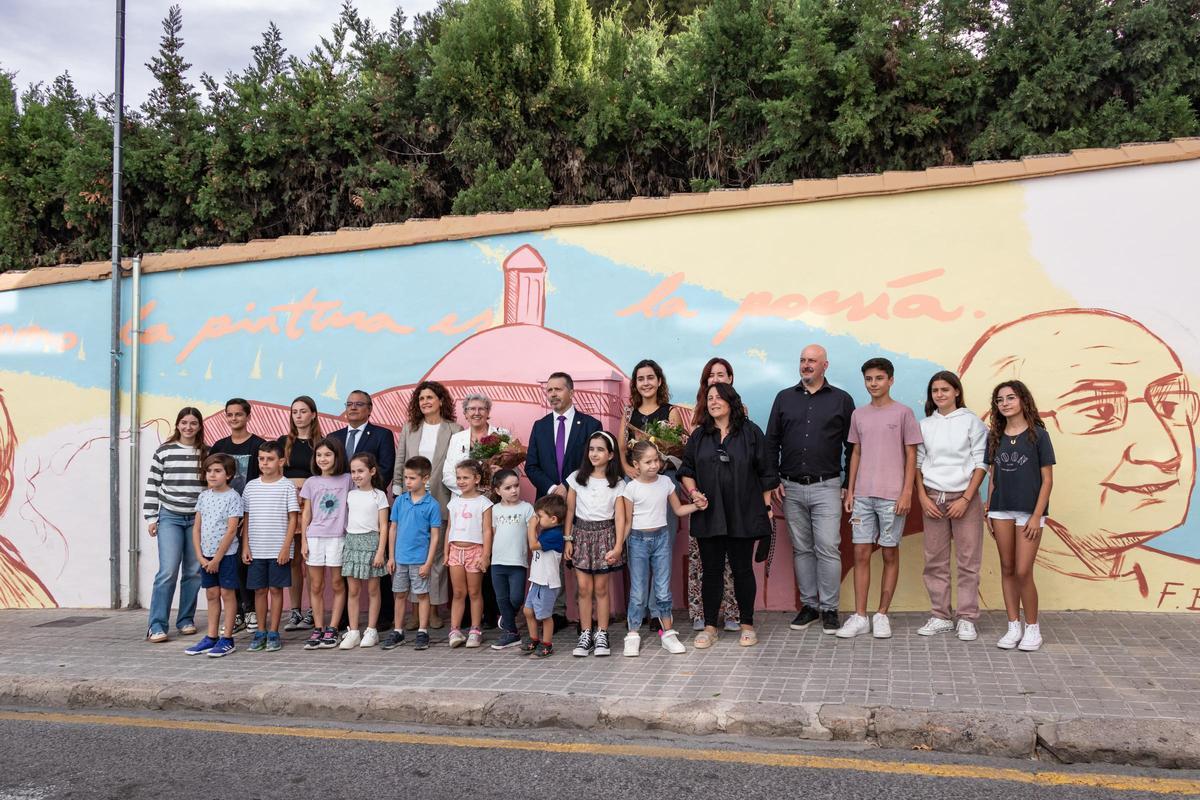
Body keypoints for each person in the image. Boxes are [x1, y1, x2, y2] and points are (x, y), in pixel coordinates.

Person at [680, 382, 778, 649]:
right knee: (711, 572)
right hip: (709, 513)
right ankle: (710, 627)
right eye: (709, 398)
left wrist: (766, 509)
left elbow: (766, 473)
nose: (713, 402)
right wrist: (694, 493)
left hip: (743, 512)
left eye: (718, 398)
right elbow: (687, 470)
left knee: (743, 570)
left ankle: (747, 625)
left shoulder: (751, 432)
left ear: (730, 401)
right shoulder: (700, 436)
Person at [765, 344, 855, 635]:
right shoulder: (783, 398)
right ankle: (809, 606)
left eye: (812, 361)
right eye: (802, 360)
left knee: (828, 547)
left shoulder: (841, 400)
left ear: (825, 365)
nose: (806, 365)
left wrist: (847, 485)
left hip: (827, 486)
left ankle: (829, 609)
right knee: (802, 549)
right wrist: (773, 479)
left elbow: (853, 448)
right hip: (790, 487)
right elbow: (771, 442)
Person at [837, 358, 922, 640]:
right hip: (862, 496)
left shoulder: (904, 413)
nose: (874, 384)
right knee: (861, 553)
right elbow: (856, 453)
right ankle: (861, 616)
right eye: (869, 379)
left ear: (891, 380)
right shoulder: (858, 415)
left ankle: (882, 614)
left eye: (879, 378)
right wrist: (850, 490)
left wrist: (907, 492)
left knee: (888, 553)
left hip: (892, 497)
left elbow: (912, 455)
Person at [915, 371, 987, 642]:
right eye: (935, 390)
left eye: (945, 389)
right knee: (934, 560)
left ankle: (967, 617)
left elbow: (982, 463)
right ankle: (940, 616)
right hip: (933, 498)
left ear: (957, 391)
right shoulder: (924, 425)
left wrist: (967, 499)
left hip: (965, 499)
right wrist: (922, 498)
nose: (940, 394)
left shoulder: (972, 422)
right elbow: (918, 464)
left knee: (968, 561)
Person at [618, 441, 705, 657]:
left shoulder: (666, 482)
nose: (654, 465)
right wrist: (618, 546)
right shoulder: (631, 488)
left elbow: (677, 509)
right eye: (648, 462)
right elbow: (627, 522)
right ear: (636, 464)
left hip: (661, 539)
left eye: (656, 460)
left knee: (663, 589)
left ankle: (668, 634)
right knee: (637, 591)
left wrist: (697, 505)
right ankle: (633, 634)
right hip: (637, 541)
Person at [986, 380, 1055, 652]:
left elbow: (1047, 480)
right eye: (1000, 400)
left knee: (1024, 571)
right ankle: (1013, 625)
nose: (1005, 403)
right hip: (1001, 509)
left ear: (1023, 400)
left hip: (1029, 512)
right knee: (1007, 567)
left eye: (1010, 397)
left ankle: (1033, 628)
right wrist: (988, 509)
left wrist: (1037, 516)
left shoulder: (1038, 435)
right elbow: (993, 477)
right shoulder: (995, 436)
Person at [393, 380, 462, 630]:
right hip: (411, 502)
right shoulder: (410, 428)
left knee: (436, 558)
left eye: (430, 397)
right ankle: (414, 612)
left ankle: (434, 610)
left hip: (441, 500)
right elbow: (400, 461)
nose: (425, 402)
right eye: (421, 398)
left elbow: (458, 464)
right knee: (412, 555)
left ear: (441, 400)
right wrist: (398, 491)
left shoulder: (454, 429)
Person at [144, 407, 208, 643]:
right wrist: (151, 517)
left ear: (199, 426)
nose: (188, 427)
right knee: (168, 571)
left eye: (193, 423)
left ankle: (185, 620)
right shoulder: (165, 452)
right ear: (178, 425)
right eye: (184, 423)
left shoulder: (206, 452)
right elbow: (153, 484)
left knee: (193, 572)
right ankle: (157, 625)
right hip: (170, 516)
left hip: (197, 519)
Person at [687, 357, 741, 632]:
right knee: (703, 560)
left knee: (733, 560)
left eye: (722, 374)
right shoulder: (698, 417)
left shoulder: (741, 416)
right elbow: (689, 463)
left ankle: (733, 611)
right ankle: (702, 612)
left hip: (733, 504)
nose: (717, 378)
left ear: (731, 378)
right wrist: (695, 493)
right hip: (704, 502)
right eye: (712, 375)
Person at [564, 431, 624, 657]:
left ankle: (602, 633)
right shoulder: (577, 478)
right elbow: (570, 510)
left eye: (600, 450)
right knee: (584, 588)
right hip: (581, 536)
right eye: (591, 449)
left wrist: (618, 546)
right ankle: (585, 633)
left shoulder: (616, 483)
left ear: (610, 455)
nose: (595, 453)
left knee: (601, 588)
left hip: (604, 537)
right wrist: (568, 539)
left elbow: (620, 517)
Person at [208, 398, 264, 632]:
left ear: (248, 416)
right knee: (230, 562)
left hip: (250, 513)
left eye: (238, 415)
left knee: (247, 561)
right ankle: (238, 612)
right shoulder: (219, 446)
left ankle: (250, 608)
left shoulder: (258, 445)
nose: (234, 419)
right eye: (229, 415)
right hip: (223, 516)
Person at [242, 440, 301, 652]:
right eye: (261, 459)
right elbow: (246, 519)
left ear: (281, 461)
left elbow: (293, 519)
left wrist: (287, 547)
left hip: (278, 550)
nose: (265, 463)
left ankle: (274, 632)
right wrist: (245, 546)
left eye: (270, 459)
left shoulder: (286, 486)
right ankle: (260, 631)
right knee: (259, 591)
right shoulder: (251, 487)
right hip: (256, 549)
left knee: (276, 590)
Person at [185, 453, 243, 658]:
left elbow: (231, 530)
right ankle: (211, 637)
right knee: (211, 594)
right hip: (206, 555)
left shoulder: (233, 497)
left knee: (227, 594)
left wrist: (218, 558)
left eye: (217, 471)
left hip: (225, 555)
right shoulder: (203, 497)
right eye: (209, 471)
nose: (212, 474)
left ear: (228, 475)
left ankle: (227, 638)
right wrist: (200, 557)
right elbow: (196, 529)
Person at [298, 437, 352, 650]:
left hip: (338, 537)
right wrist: (303, 540)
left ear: (337, 457)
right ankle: (318, 628)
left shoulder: (347, 479)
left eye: (328, 455)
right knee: (316, 585)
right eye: (319, 455)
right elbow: (306, 514)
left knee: (338, 583)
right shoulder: (311, 482)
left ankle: (333, 627)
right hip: (315, 537)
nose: (323, 459)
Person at [384, 456, 442, 652]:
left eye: (412, 478)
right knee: (399, 594)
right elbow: (393, 529)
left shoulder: (432, 505)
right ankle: (398, 631)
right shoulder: (400, 501)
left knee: (422, 595)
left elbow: (435, 536)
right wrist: (391, 556)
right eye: (405, 478)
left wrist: (428, 562)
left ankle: (422, 631)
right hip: (400, 559)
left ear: (425, 479)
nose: (407, 482)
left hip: (420, 560)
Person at [340, 452, 390, 650]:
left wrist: (380, 552)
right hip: (352, 542)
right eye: (353, 471)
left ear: (372, 471)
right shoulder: (350, 495)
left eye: (360, 471)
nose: (356, 475)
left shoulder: (379, 495)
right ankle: (353, 631)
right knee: (353, 590)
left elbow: (384, 526)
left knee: (373, 589)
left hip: (371, 542)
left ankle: (371, 629)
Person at [280, 395, 321, 633]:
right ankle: (295, 610)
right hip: (289, 504)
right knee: (294, 559)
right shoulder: (284, 442)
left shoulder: (321, 444)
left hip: (312, 503)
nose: (298, 415)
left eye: (303, 411)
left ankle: (313, 612)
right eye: (294, 411)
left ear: (313, 414)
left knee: (312, 558)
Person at [526, 372, 602, 498]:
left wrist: (567, 486)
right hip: (547, 501)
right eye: (549, 390)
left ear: (571, 393)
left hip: (580, 500)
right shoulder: (539, 426)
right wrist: (552, 488)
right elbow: (531, 466)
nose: (553, 394)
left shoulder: (591, 425)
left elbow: (594, 463)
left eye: (558, 389)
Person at [445, 458, 494, 648]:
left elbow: (487, 530)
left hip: (475, 551)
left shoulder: (484, 503)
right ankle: (455, 630)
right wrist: (446, 551)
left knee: (474, 592)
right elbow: (449, 528)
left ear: (477, 479)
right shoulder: (454, 503)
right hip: (456, 551)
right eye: (458, 478)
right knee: (458, 592)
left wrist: (486, 555)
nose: (461, 481)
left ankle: (475, 629)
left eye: (466, 477)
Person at [489, 469, 534, 651]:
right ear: (498, 491)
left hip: (517, 562)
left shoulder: (527, 509)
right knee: (501, 598)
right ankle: (511, 633)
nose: (514, 490)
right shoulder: (494, 510)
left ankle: (507, 619)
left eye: (516, 486)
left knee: (516, 598)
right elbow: (492, 534)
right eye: (508, 488)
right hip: (497, 563)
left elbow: (532, 535)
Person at [522, 494, 567, 658]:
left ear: (553, 519)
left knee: (544, 615)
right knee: (528, 611)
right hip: (536, 580)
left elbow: (533, 546)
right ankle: (534, 638)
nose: (536, 519)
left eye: (539, 516)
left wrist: (530, 526)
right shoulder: (546, 531)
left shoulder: (554, 535)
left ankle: (547, 644)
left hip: (547, 582)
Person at [443, 393, 502, 496]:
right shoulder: (456, 438)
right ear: (465, 414)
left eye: (481, 409)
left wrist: (502, 473)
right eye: (472, 409)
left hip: (494, 498)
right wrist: (470, 491)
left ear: (488, 412)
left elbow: (514, 472)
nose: (476, 413)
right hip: (463, 500)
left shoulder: (501, 435)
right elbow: (447, 474)